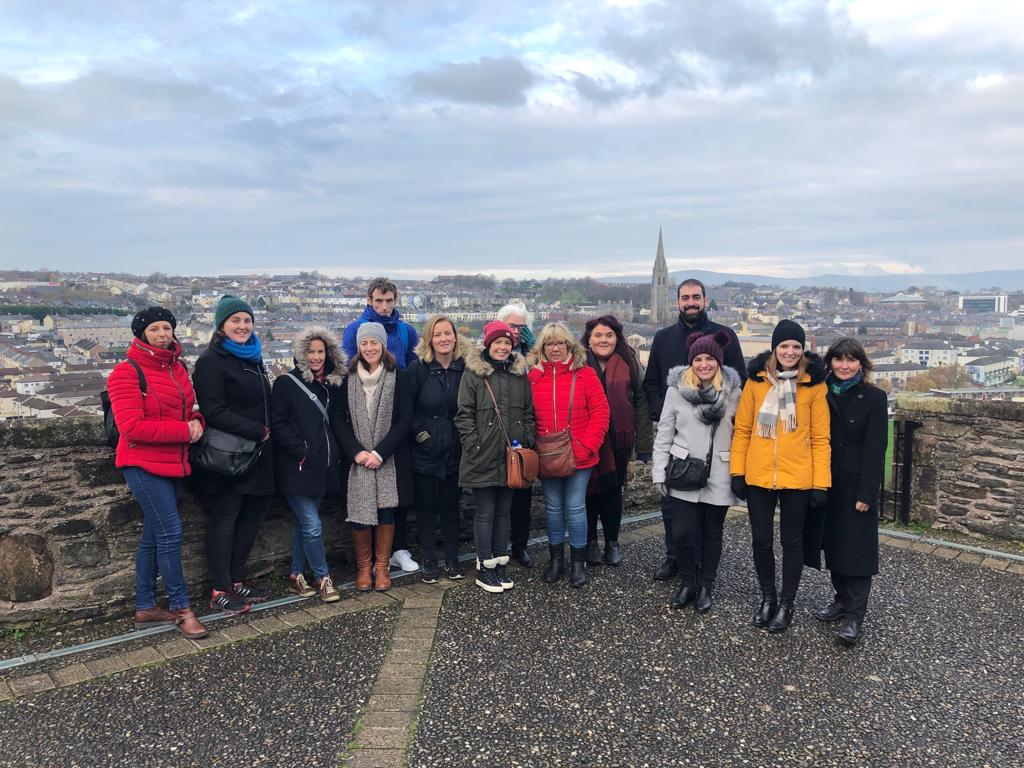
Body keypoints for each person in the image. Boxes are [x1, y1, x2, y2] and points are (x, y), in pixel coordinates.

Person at [108, 307, 208, 639]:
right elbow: (132, 428)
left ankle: (146, 606)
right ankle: (182, 609)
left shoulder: (177, 368)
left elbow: (192, 406)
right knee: (170, 534)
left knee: (153, 536)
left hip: (174, 465)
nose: (163, 334)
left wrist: (197, 422)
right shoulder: (126, 372)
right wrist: (184, 431)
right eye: (155, 329)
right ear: (141, 333)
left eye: (167, 327)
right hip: (142, 465)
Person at [730, 320, 830, 633]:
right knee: (761, 540)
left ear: (803, 351)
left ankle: (787, 603)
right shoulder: (756, 382)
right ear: (775, 348)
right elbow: (743, 429)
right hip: (759, 473)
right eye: (784, 346)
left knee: (791, 541)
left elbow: (819, 437)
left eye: (796, 347)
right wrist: (738, 471)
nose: (790, 352)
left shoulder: (814, 385)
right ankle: (767, 597)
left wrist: (820, 483)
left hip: (798, 476)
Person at [644, 279, 746, 581]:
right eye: (685, 297)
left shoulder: (726, 335)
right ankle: (675, 557)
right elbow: (651, 382)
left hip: (716, 438)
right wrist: (666, 413)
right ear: (677, 301)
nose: (691, 302)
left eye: (696, 297)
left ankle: (702, 567)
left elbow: (740, 378)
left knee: (708, 514)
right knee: (673, 508)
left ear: (705, 300)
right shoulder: (663, 338)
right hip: (678, 436)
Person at [192, 295, 276, 614]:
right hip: (228, 457)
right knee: (225, 520)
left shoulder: (253, 357)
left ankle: (238, 579)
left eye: (247, 320)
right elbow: (213, 410)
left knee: (251, 518)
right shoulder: (210, 361)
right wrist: (258, 430)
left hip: (257, 457)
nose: (242, 326)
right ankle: (220, 587)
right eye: (235, 321)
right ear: (221, 326)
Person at [652, 332, 741, 613]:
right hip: (683, 471)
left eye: (710, 358)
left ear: (719, 361)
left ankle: (706, 586)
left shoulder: (734, 393)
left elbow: (742, 434)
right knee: (681, 533)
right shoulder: (676, 391)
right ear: (691, 362)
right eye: (698, 359)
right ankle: (688, 582)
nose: (704, 364)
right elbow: (664, 433)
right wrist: (658, 471)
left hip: (720, 472)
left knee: (712, 533)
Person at [341, 277, 419, 574]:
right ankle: (369, 561)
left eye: (389, 301)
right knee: (365, 492)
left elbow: (411, 365)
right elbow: (349, 366)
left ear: (395, 300)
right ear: (369, 300)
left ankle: (396, 551)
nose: (384, 307)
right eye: (379, 301)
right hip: (365, 412)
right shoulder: (355, 330)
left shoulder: (406, 330)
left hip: (396, 407)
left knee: (394, 487)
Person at [455, 321, 535, 594]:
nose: (502, 347)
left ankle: (500, 562)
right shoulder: (474, 375)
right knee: (485, 512)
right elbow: (463, 415)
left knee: (504, 512)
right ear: (488, 343)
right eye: (498, 342)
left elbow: (527, 412)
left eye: (508, 343)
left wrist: (526, 438)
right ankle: (484, 565)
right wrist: (474, 445)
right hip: (483, 454)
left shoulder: (519, 374)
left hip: (511, 453)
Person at [817, 337, 887, 646]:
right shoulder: (819, 393)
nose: (844, 365)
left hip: (856, 483)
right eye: (838, 359)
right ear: (830, 362)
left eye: (851, 360)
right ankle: (841, 599)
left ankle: (855, 616)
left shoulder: (874, 397)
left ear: (861, 364)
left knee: (857, 551)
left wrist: (867, 493)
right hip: (826, 481)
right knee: (832, 544)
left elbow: (876, 448)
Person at [529, 323, 610, 588]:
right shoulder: (533, 377)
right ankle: (556, 561)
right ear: (542, 347)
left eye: (560, 343)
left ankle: (578, 562)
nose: (555, 348)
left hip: (579, 454)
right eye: (550, 343)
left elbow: (600, 412)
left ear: (569, 346)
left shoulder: (585, 375)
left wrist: (586, 447)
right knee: (552, 508)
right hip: (547, 454)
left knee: (575, 507)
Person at [270, 326, 347, 603]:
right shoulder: (286, 383)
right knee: (313, 526)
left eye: (320, 352)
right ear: (301, 354)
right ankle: (323, 577)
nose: (316, 357)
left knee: (306, 524)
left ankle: (295, 574)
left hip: (322, 467)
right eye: (310, 352)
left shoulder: (330, 385)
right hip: (297, 467)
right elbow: (277, 423)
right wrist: (300, 451)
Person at [335, 322, 414, 592]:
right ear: (358, 347)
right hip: (356, 459)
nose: (369, 348)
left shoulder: (399, 377)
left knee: (386, 513)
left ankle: (382, 568)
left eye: (374, 343)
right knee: (358, 515)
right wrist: (357, 451)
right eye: (364, 343)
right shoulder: (346, 378)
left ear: (383, 345)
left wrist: (380, 452)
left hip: (388, 458)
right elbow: (338, 420)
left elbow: (404, 420)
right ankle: (364, 568)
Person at [581, 315, 652, 566]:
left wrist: (644, 445)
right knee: (587, 493)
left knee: (612, 492)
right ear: (589, 339)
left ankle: (612, 542)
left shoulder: (629, 360)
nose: (604, 340)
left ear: (617, 337)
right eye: (598, 335)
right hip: (586, 439)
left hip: (619, 440)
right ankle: (590, 542)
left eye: (609, 335)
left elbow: (642, 402)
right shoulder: (578, 363)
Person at [407, 315, 469, 583]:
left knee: (450, 505)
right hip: (425, 449)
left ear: (455, 336)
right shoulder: (417, 369)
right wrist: (422, 437)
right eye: (438, 334)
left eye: (448, 333)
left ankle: (453, 557)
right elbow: (406, 411)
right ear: (429, 339)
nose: (444, 339)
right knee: (426, 507)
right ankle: (430, 559)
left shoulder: (465, 368)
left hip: (455, 448)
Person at [497, 302, 536, 567]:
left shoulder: (533, 358)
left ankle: (520, 546)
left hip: (523, 434)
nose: (517, 331)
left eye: (522, 327)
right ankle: (496, 548)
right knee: (497, 499)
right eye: (512, 325)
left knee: (522, 497)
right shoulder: (494, 352)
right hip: (497, 433)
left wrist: (533, 350)